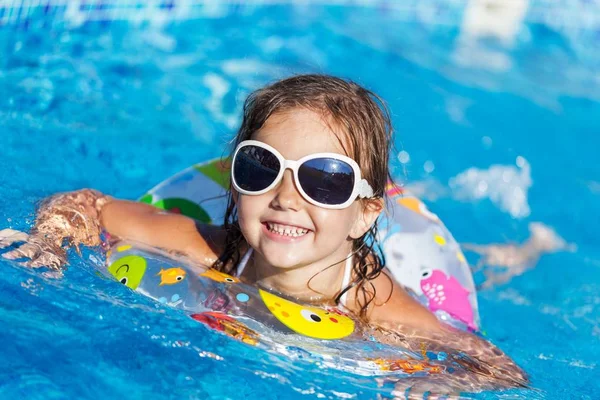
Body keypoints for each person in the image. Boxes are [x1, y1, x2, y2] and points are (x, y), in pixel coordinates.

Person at [0, 74, 527, 392]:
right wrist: (51, 240)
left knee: (489, 271)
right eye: (261, 167)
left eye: (325, 179)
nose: (287, 196)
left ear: (365, 214)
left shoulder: (374, 301)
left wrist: (446, 378)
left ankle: (523, 250)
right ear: (234, 185)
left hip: (407, 268)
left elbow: (500, 369)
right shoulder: (214, 249)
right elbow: (88, 204)